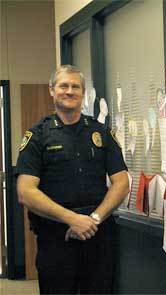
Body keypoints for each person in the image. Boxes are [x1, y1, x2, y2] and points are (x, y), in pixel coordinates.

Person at [16, 65, 129, 294]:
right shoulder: (38, 135)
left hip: (98, 235)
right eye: (63, 86)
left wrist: (93, 219)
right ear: (52, 90)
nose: (69, 91)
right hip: (56, 238)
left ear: (82, 92)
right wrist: (71, 219)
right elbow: (25, 191)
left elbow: (122, 182)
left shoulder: (101, 132)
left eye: (75, 86)